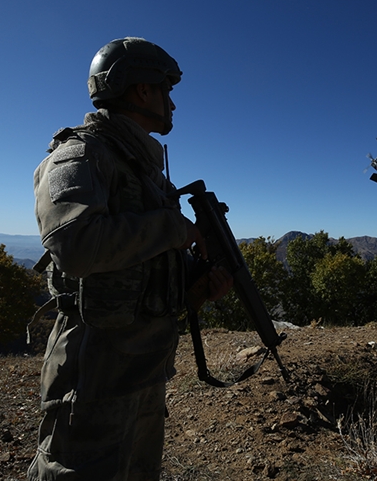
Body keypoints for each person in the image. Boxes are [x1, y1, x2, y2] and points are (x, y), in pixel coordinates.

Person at [28, 37, 232, 481]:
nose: (173, 104)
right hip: (94, 373)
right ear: (142, 91)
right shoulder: (81, 155)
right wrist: (175, 229)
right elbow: (76, 246)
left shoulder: (144, 170)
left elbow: (141, 268)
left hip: (143, 367)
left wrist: (198, 285)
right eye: (167, 91)